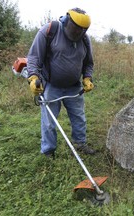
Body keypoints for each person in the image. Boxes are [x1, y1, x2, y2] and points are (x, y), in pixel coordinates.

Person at [27, 8, 96, 159]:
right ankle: (48, 151)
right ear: (66, 21)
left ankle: (79, 143)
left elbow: (88, 63)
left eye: (82, 30)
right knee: (49, 122)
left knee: (79, 117)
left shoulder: (84, 39)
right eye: (75, 28)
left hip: (74, 87)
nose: (78, 32)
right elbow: (33, 58)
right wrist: (33, 77)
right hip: (52, 86)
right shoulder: (50, 31)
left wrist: (87, 78)